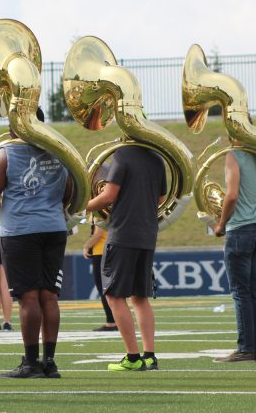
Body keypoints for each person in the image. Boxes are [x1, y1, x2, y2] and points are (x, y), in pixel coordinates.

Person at [0, 108, 70, 379]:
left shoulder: (7, 153)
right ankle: (49, 362)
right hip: (54, 228)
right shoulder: (61, 152)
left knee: (28, 298)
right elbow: (72, 192)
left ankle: (30, 362)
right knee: (49, 295)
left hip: (20, 231)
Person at [86, 145, 166, 372]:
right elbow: (161, 198)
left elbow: (109, 195)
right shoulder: (156, 157)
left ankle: (132, 357)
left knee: (113, 295)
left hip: (122, 234)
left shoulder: (122, 155)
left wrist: (83, 206)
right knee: (140, 297)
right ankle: (149, 355)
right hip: (147, 234)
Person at [212, 145, 256, 362]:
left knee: (240, 292)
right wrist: (252, 206)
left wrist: (221, 224)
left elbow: (231, 195)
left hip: (239, 231)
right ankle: (253, 348)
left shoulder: (233, 156)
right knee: (254, 291)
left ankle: (246, 349)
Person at [83, 224, 116, 332]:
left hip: (101, 251)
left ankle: (112, 322)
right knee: (110, 289)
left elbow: (99, 233)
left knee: (104, 289)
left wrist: (87, 246)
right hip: (112, 248)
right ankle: (116, 321)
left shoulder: (100, 209)